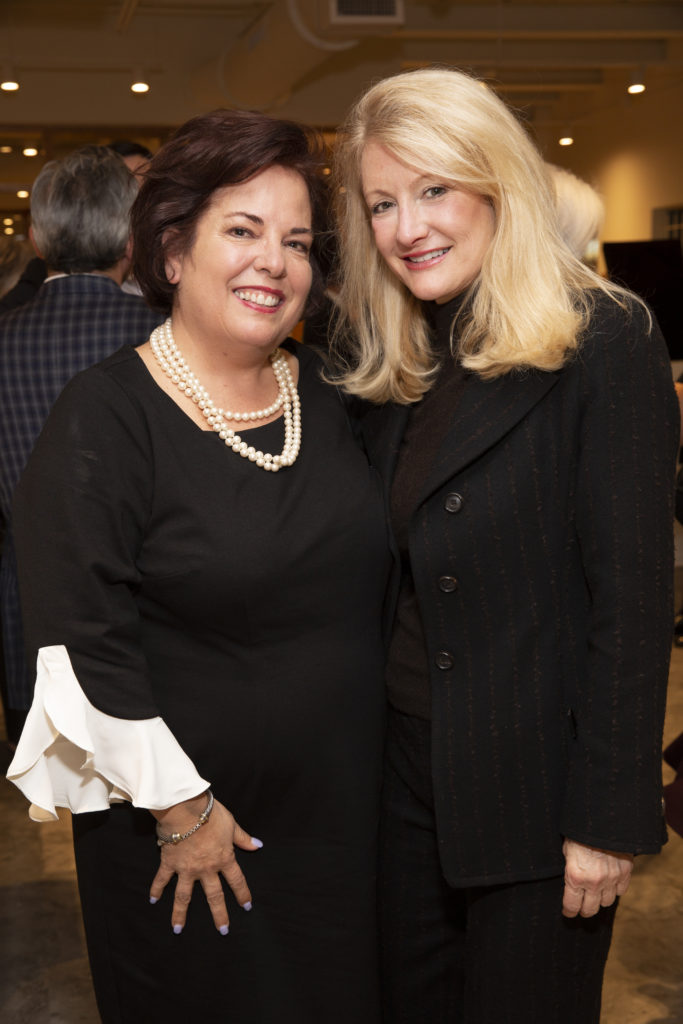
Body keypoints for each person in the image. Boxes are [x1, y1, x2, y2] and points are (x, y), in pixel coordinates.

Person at [7, 108, 389, 1023]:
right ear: (171, 253)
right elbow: (77, 641)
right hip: (187, 839)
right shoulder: (104, 418)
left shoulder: (336, 396)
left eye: (296, 241)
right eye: (243, 230)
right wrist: (180, 811)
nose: (274, 261)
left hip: (346, 821)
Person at [331, 67, 679, 1023]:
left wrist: (608, 816)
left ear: (496, 183)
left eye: (434, 189)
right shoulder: (402, 350)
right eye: (383, 203)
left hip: (537, 793)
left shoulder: (603, 338)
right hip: (400, 781)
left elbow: (633, 599)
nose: (408, 228)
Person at [0, 146, 161, 745]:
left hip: (29, 613)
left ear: (38, 240)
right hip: (149, 613)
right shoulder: (164, 334)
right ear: (130, 238)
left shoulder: (5, 338)